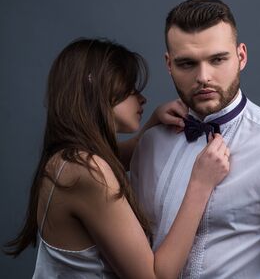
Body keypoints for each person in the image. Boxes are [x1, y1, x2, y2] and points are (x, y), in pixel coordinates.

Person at [130, 0, 260, 278]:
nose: (203, 77)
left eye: (217, 59)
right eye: (187, 64)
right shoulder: (150, 145)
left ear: (241, 56)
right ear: (169, 65)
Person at [4, 38, 231, 279]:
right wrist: (200, 185)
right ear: (100, 91)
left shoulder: (65, 159)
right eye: (130, 89)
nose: (141, 99)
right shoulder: (88, 172)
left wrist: (152, 122)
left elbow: (116, 158)